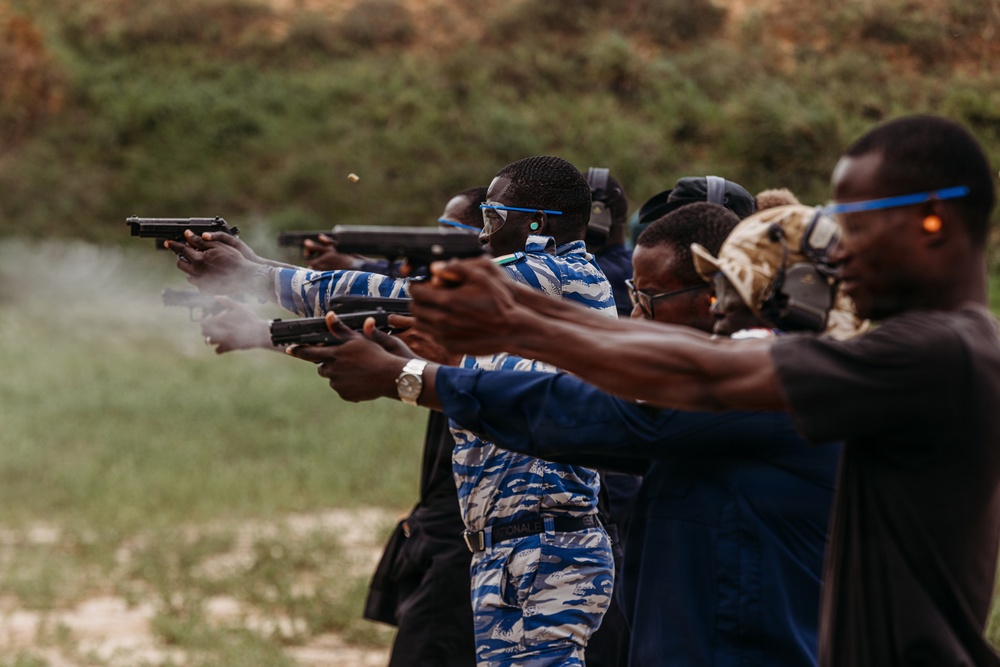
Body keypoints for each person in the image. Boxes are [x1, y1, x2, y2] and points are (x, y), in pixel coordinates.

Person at [406, 115, 1000, 667]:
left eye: (858, 225)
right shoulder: (934, 349)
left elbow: (702, 376)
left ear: (932, 218)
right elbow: (700, 368)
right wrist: (519, 318)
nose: (838, 252)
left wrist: (502, 330)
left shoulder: (932, 353)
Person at [287, 202, 852, 666]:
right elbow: (603, 395)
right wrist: (472, 348)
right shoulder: (780, 377)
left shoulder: (779, 381)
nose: (719, 311)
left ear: (789, 300)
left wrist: (416, 379)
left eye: (727, 294)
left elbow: (600, 415)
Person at [171, 155, 619, 667]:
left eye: (492, 219)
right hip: (513, 550)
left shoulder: (552, 275)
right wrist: (267, 331)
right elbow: (404, 347)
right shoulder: (527, 295)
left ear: (537, 225)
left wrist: (259, 276)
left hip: (543, 551)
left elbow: (408, 300)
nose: (482, 235)